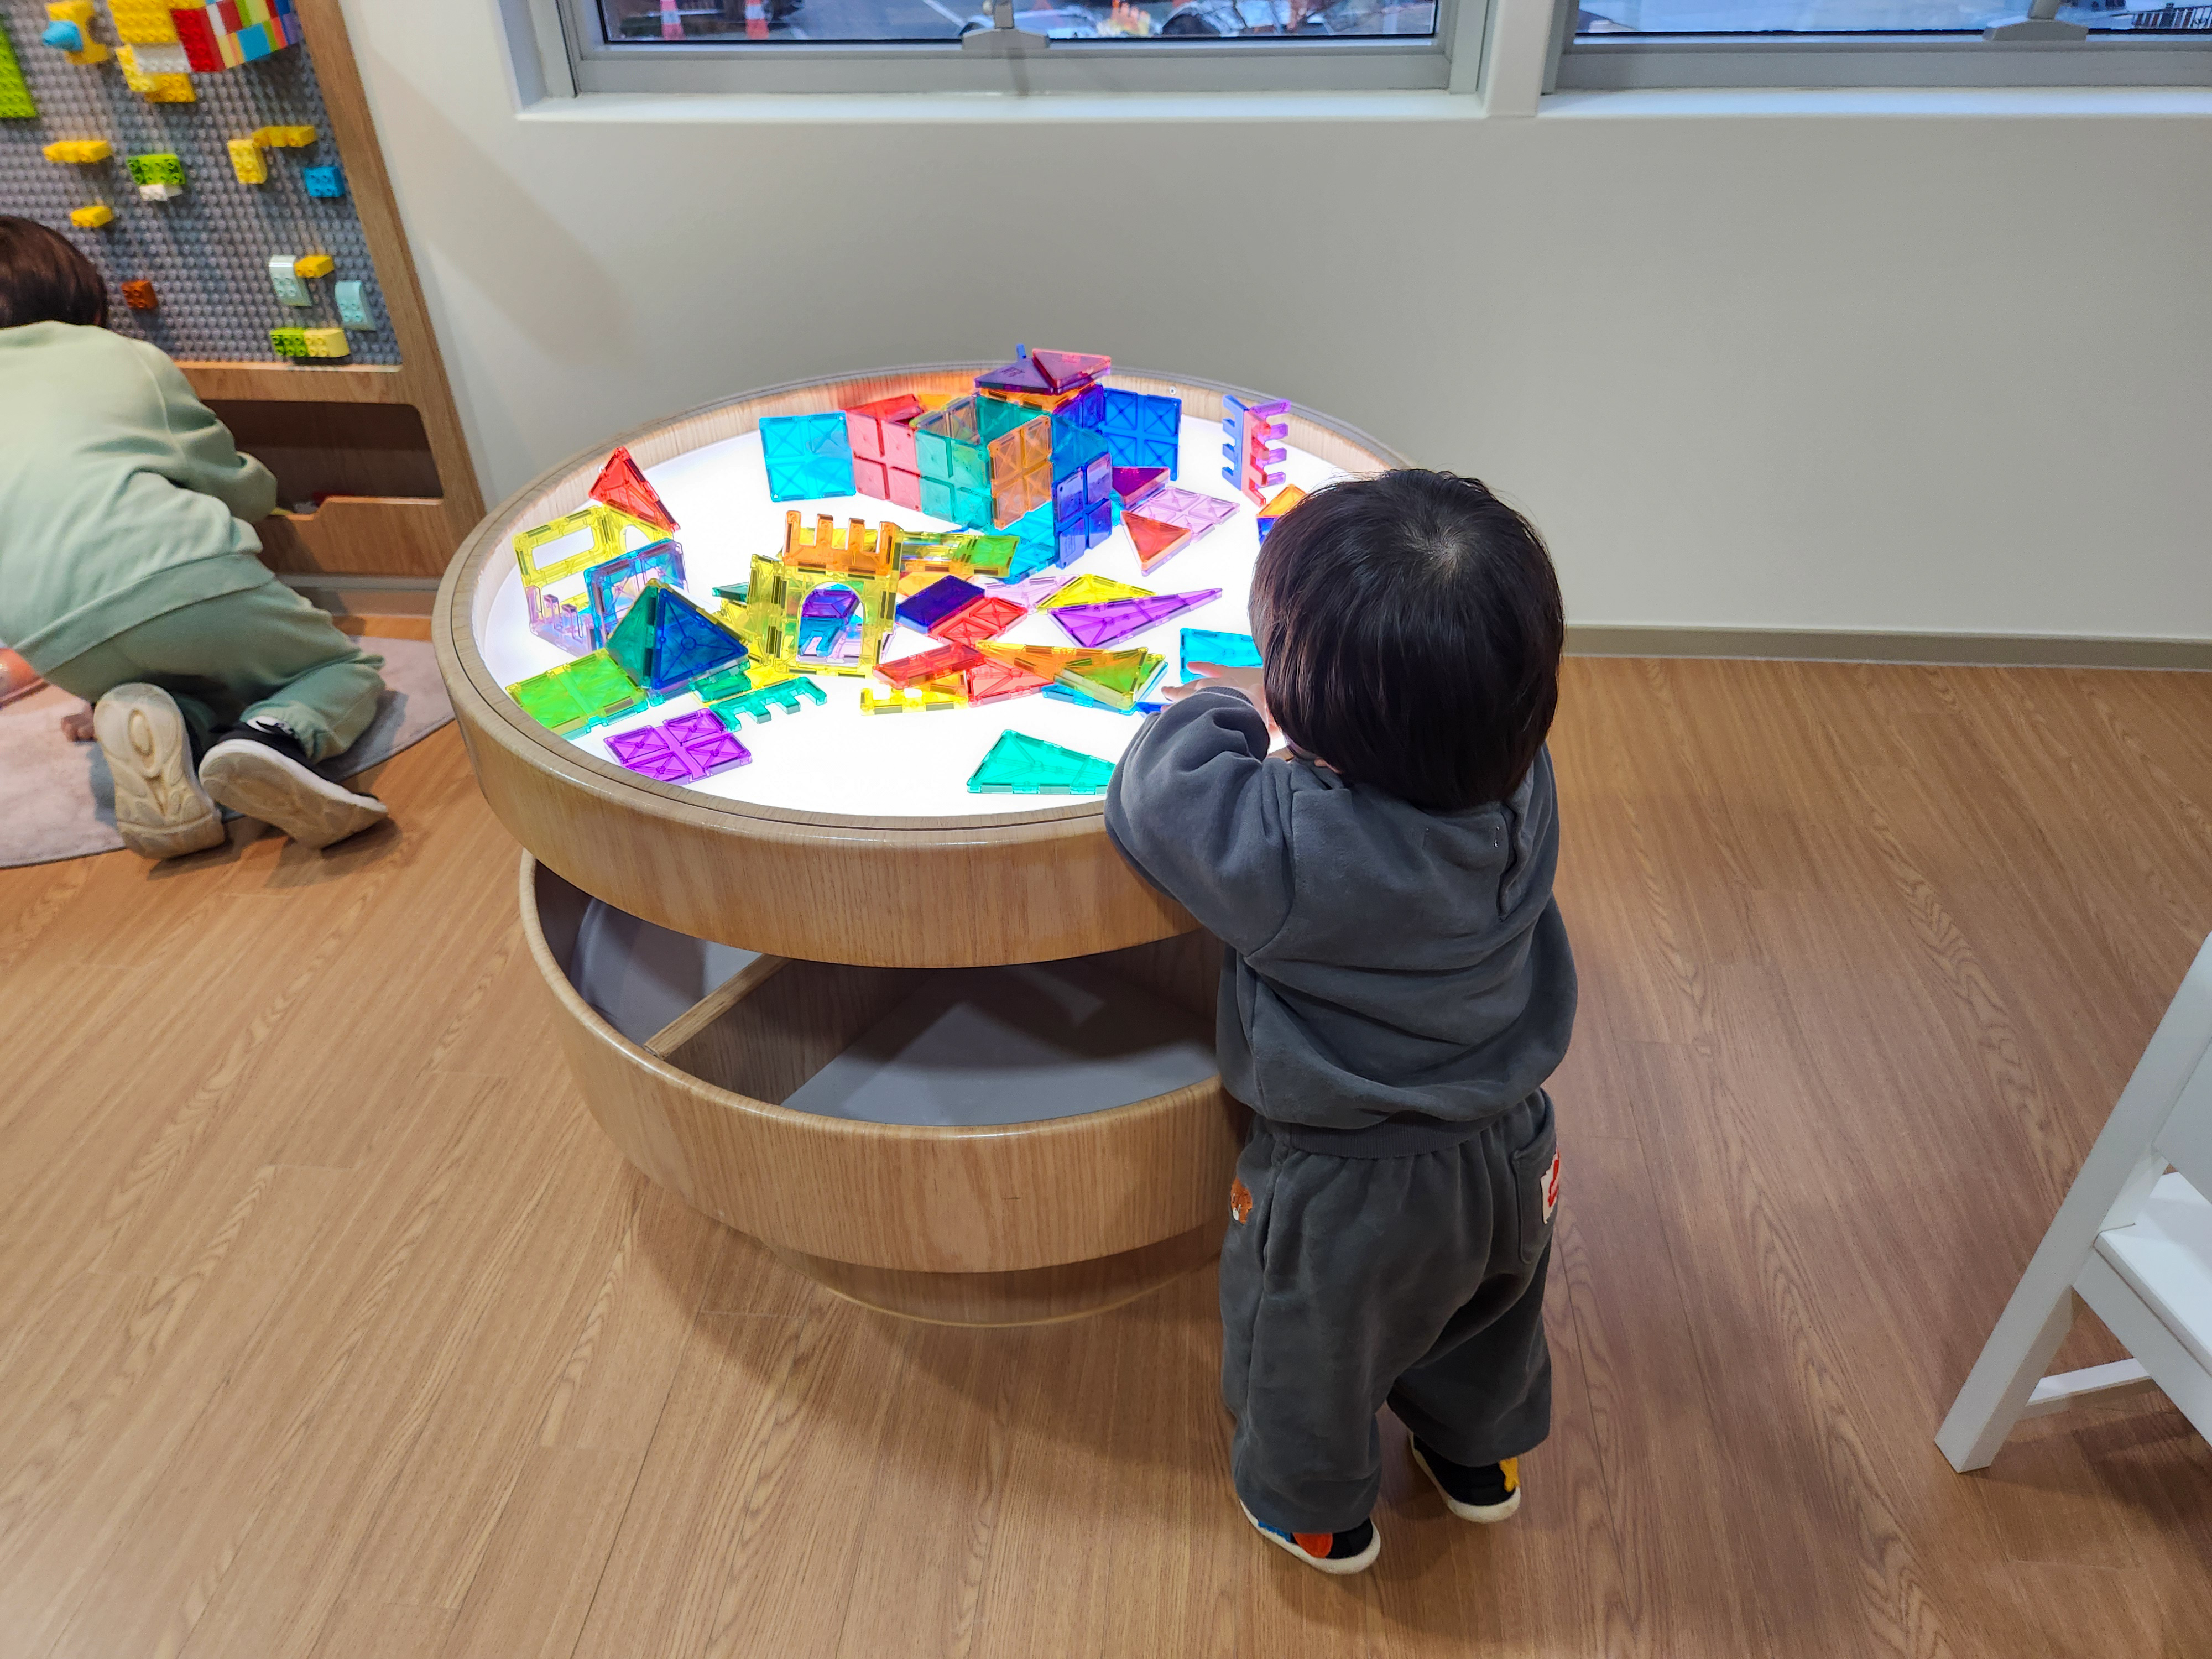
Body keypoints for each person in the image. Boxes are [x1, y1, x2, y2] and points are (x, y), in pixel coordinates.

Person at [1104, 470, 1575, 1577]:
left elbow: (1157, 791)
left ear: (1309, 712)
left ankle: (1314, 1511)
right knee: (1491, 1319)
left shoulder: (1293, 850)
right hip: (1512, 1144)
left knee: (1307, 1355)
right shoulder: (1524, 788)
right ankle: (1476, 1458)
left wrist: (1231, 704)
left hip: (1348, 1188)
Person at [0, 215, 389, 858]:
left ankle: (169, 719)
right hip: (179, 576)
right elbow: (225, 479)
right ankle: (272, 738)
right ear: (79, 299)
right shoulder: (120, 356)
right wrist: (264, 494)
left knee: (194, 679)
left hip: (52, 642)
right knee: (341, 670)